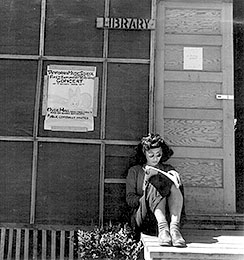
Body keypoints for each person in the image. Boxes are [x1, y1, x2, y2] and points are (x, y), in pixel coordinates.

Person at [126, 133, 186, 247]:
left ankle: (174, 229)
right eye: (151, 155)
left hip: (169, 216)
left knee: (174, 182)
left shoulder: (167, 169)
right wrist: (146, 195)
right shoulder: (135, 171)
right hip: (145, 218)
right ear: (145, 154)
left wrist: (174, 175)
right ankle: (163, 229)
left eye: (158, 155)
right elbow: (129, 199)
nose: (155, 158)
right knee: (155, 182)